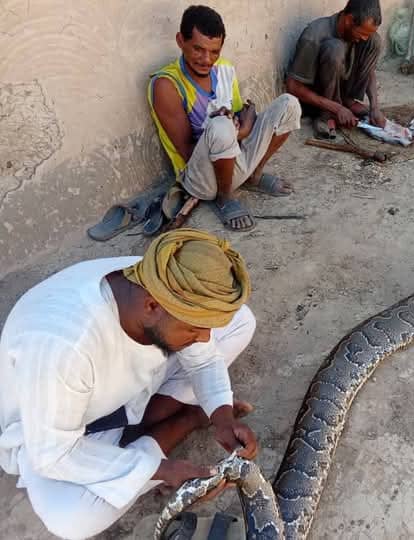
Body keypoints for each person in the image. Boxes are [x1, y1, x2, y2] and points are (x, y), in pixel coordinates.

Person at [0, 229, 260, 539]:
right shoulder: (63, 345)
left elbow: (203, 359)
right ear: (152, 307)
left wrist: (221, 415)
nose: (204, 339)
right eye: (195, 329)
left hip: (123, 391)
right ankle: (186, 421)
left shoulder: (163, 283)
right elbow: (53, 454)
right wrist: (162, 470)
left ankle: (161, 426)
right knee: (71, 519)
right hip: (62, 425)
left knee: (241, 321)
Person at [150, 5, 302, 232]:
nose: (206, 59)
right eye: (198, 49)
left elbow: (239, 116)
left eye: (214, 51)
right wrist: (240, 129)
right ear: (180, 41)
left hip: (233, 156)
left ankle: (254, 175)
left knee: (289, 104)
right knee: (221, 126)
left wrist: (245, 119)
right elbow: (188, 153)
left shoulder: (224, 69)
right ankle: (225, 197)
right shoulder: (167, 85)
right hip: (201, 178)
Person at [286, 0, 387, 139]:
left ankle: (347, 101)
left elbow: (369, 70)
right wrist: (336, 108)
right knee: (335, 49)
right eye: (362, 33)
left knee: (374, 41)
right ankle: (325, 115)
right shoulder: (314, 36)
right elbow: (293, 86)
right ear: (349, 20)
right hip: (318, 98)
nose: (364, 38)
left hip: (342, 93)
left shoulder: (364, 38)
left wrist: (375, 107)